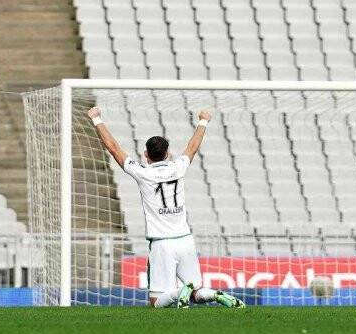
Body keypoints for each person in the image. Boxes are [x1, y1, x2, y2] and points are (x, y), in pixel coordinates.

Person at [87, 106, 244, 309]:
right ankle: (216, 295)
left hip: (162, 243)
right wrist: (203, 121)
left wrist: (96, 119)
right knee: (197, 292)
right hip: (185, 239)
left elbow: (114, 148)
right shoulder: (178, 167)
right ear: (168, 154)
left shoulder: (143, 172)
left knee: (155, 302)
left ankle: (180, 291)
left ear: (146, 155)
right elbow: (192, 146)